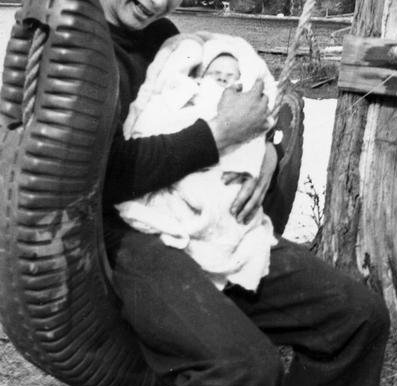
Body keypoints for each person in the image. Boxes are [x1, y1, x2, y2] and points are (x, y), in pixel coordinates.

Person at [98, 0, 390, 386]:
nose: (161, 0)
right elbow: (99, 177)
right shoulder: (80, 52)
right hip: (126, 243)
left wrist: (266, 150)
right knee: (239, 367)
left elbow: (240, 105)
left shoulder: (165, 41)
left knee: (356, 316)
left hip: (212, 223)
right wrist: (217, 136)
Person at [115, 32, 279, 292]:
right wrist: (220, 131)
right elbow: (117, 166)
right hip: (124, 231)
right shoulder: (87, 52)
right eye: (216, 73)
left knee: (347, 299)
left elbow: (253, 125)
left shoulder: (164, 35)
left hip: (228, 197)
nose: (223, 79)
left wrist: (267, 153)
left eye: (230, 75)